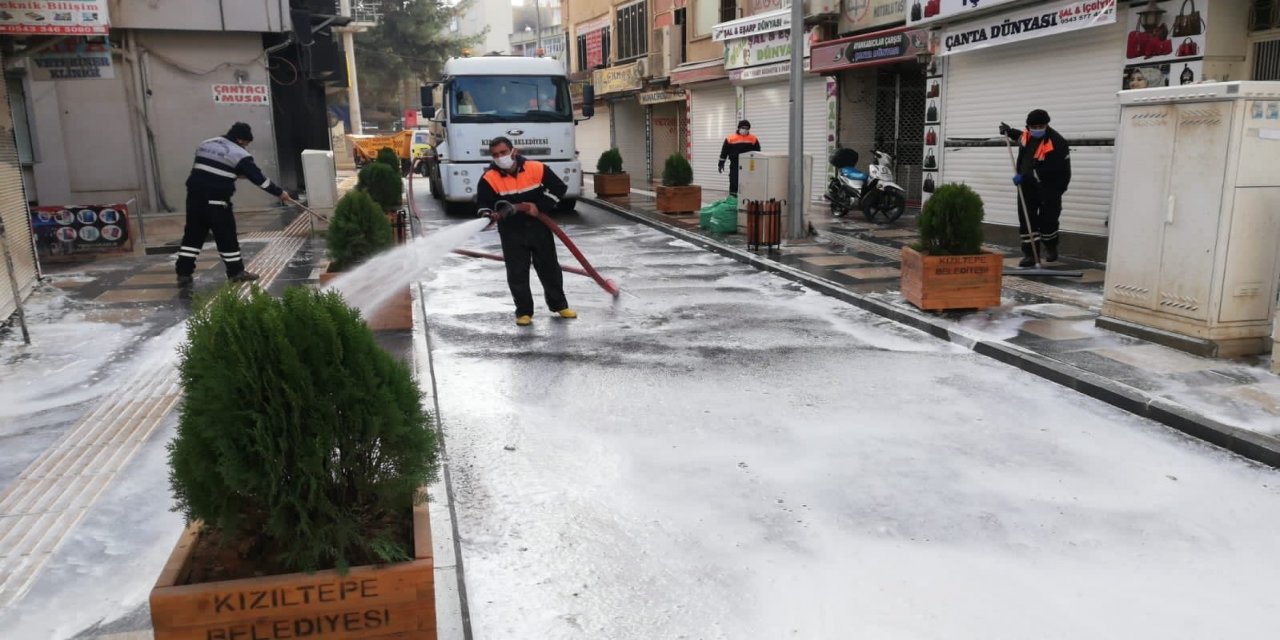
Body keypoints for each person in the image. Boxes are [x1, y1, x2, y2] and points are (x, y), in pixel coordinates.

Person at [475, 136, 576, 326]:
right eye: (495, 155)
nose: (500, 157)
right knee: (517, 272)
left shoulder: (536, 168)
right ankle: (523, 312)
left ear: (514, 151)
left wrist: (540, 206)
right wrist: (487, 214)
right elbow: (483, 202)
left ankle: (559, 305)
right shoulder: (489, 177)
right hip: (512, 231)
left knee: (549, 268)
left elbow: (558, 188)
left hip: (539, 227)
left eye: (503, 152)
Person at [176, 122, 292, 287]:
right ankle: (236, 272)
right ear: (240, 140)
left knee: (192, 236)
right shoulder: (239, 154)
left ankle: (183, 273)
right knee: (227, 237)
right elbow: (260, 179)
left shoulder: (206, 144)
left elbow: (212, 167)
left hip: (194, 199)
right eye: (246, 143)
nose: (246, 146)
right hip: (217, 202)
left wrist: (235, 172)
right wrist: (280, 193)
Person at [1000, 109, 1071, 267]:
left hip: (1050, 187)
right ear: (1029, 126)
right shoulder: (1028, 135)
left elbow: (1052, 170)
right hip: (1027, 187)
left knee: (1048, 222)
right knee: (1027, 220)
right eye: (1034, 126)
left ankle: (1051, 247)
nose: (1038, 129)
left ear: (1047, 125)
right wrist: (1008, 131)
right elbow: (1021, 137)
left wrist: (1025, 176)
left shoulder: (1057, 142)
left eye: (1041, 126)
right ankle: (1031, 255)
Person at [718, 119, 761, 195]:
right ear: (739, 128)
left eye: (747, 128)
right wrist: (721, 163)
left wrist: (757, 165)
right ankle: (733, 199)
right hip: (735, 163)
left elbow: (757, 152)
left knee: (748, 182)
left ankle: (746, 200)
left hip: (748, 164)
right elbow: (724, 152)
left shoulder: (753, 139)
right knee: (734, 181)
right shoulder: (730, 138)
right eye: (743, 128)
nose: (745, 130)